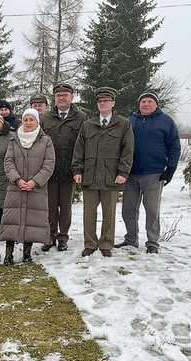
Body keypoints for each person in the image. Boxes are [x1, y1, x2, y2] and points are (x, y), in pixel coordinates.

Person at [115, 90, 181, 254]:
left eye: (149, 102)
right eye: (143, 102)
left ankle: (152, 242)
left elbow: (174, 146)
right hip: (130, 173)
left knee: (152, 209)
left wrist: (170, 169)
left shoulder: (166, 122)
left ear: (156, 104)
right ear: (139, 105)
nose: (146, 104)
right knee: (128, 209)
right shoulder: (130, 121)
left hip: (154, 173)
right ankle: (131, 239)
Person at [72, 87, 134, 258]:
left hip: (111, 176)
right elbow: (79, 150)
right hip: (90, 176)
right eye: (99, 101)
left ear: (113, 103)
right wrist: (77, 169)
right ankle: (90, 243)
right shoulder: (88, 125)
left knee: (109, 214)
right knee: (89, 213)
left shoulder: (123, 124)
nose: (102, 103)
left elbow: (128, 150)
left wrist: (123, 172)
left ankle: (106, 243)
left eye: (106, 100)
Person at [0, 108, 55, 265]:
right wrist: (17, 179)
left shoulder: (46, 141)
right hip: (16, 187)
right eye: (26, 120)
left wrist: (35, 181)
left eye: (32, 119)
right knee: (12, 219)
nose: (28, 123)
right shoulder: (14, 140)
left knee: (31, 219)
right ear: (22, 121)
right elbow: (8, 162)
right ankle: (8, 254)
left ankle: (26, 253)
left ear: (37, 121)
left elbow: (49, 164)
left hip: (36, 188)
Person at [39, 83, 88, 252]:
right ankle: (50, 236)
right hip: (50, 170)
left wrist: (79, 169)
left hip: (69, 170)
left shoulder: (81, 118)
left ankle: (63, 238)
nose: (61, 98)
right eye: (58, 95)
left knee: (65, 207)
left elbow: (83, 144)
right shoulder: (45, 118)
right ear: (55, 98)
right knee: (50, 207)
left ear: (71, 97)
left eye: (65, 95)